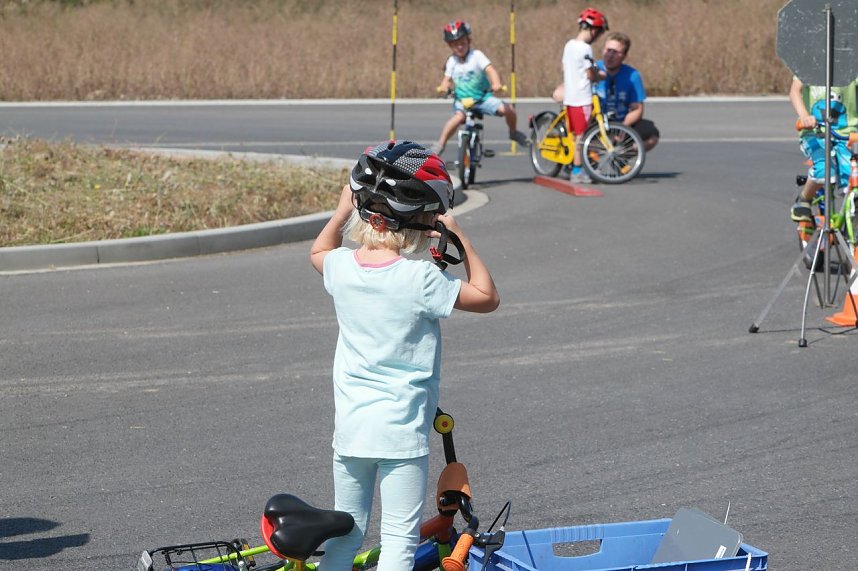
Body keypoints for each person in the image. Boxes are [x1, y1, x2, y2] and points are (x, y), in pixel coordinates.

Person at [309, 140, 499, 571]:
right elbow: (487, 297)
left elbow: (318, 252)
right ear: (424, 221)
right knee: (398, 538)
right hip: (401, 431)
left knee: (346, 534)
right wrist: (461, 236)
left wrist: (340, 214)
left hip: (352, 429)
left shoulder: (342, 267)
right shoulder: (419, 280)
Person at [432, 20, 529, 156]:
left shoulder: (476, 56)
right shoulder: (451, 61)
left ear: (469, 40)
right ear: (450, 46)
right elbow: (446, 80)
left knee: (509, 110)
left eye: (462, 43)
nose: (459, 47)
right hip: (462, 101)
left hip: (482, 98)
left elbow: (490, 70)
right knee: (457, 118)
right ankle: (440, 145)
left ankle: (513, 132)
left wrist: (496, 84)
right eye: (455, 45)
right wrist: (443, 87)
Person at [788, 76, 858, 222]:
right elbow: (795, 91)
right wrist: (805, 116)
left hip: (849, 134)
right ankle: (804, 198)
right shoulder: (813, 61)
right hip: (815, 131)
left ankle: (850, 228)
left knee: (852, 178)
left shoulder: (852, 62)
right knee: (824, 168)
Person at [561, 7, 608, 184]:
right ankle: (577, 170)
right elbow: (590, 74)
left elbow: (564, 68)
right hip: (582, 97)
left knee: (574, 135)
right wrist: (598, 74)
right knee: (581, 137)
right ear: (594, 30)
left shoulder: (569, 45)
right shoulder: (585, 49)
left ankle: (574, 165)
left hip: (570, 96)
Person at [593, 31, 659, 152]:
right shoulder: (592, 70)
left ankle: (621, 156)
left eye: (616, 52)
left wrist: (623, 128)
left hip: (621, 122)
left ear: (624, 56)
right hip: (595, 124)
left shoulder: (632, 76)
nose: (610, 55)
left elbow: (637, 109)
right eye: (608, 50)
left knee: (651, 133)